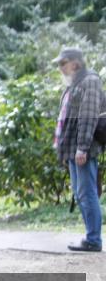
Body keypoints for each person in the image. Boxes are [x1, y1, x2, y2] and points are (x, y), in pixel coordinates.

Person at [52, 47, 103, 252]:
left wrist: (82, 148)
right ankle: (91, 237)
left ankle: (93, 240)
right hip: (73, 150)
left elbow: (88, 117)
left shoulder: (90, 81)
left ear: (75, 63)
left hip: (83, 149)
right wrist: (66, 151)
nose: (60, 68)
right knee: (81, 194)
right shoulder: (75, 84)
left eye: (62, 63)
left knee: (87, 193)